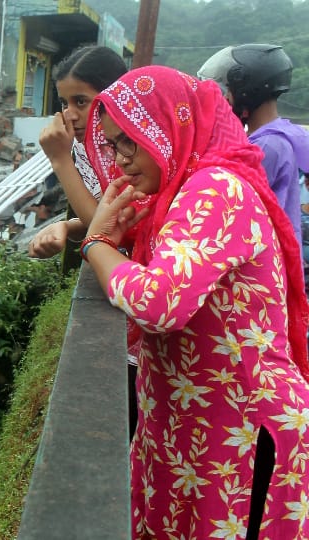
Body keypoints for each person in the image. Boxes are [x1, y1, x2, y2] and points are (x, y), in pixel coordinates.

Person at [81, 66, 309, 539]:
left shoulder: (215, 189)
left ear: (171, 124)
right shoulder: (177, 192)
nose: (120, 159)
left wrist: (96, 243)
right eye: (112, 143)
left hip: (244, 436)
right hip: (201, 431)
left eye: (131, 140)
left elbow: (157, 302)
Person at [198, 43, 309, 246]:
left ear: (247, 91)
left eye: (228, 90)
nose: (225, 98)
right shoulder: (280, 135)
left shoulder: (266, 146)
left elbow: (235, 206)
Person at [27, 45, 127, 259]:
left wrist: (60, 160)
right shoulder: (86, 148)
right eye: (64, 103)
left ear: (114, 97)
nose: (69, 115)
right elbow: (104, 215)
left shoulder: (132, 148)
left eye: (80, 101)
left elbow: (105, 228)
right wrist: (67, 227)